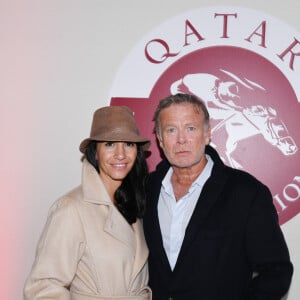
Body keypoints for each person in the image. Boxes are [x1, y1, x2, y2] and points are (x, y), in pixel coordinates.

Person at [143, 93, 293, 300]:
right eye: (171, 130)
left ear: (207, 134)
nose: (181, 139)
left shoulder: (246, 192)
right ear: (160, 139)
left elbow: (276, 272)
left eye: (190, 128)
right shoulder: (146, 189)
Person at [24, 106, 152, 300]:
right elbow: (42, 288)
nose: (120, 154)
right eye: (109, 144)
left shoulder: (135, 205)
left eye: (128, 144)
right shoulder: (71, 209)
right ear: (95, 152)